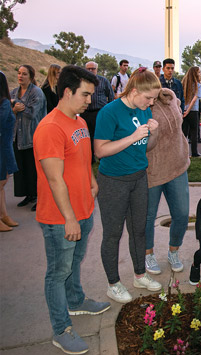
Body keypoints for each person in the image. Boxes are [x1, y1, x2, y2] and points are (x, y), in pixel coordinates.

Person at [33, 65, 110, 354]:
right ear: (67, 92)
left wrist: (91, 182)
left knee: (74, 262)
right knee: (57, 271)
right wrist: (69, 219)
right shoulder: (50, 128)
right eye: (86, 95)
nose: (90, 101)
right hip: (60, 217)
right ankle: (61, 329)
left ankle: (76, 301)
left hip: (84, 208)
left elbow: (82, 158)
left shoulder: (78, 122)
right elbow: (54, 179)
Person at [94, 67, 162, 304]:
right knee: (113, 234)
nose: (151, 103)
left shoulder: (143, 110)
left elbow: (146, 147)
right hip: (113, 181)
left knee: (139, 229)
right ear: (134, 91)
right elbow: (100, 150)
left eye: (154, 98)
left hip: (138, 177)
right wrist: (133, 136)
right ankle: (113, 284)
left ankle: (139, 275)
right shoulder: (109, 112)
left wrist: (152, 134)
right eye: (149, 98)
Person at [144, 88, 190, 275]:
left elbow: (179, 113)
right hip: (152, 170)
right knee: (148, 217)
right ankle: (148, 254)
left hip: (177, 165)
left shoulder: (171, 97)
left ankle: (173, 251)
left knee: (181, 214)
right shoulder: (141, 104)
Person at [10, 64, 47, 212]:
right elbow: (9, 111)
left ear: (31, 77)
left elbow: (33, 113)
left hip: (32, 137)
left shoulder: (36, 92)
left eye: (24, 74)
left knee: (35, 170)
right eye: (19, 73)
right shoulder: (13, 92)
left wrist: (20, 107)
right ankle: (28, 195)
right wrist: (14, 108)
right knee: (22, 168)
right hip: (18, 137)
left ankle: (40, 197)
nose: (20, 76)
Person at [82, 61, 114, 162]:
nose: (91, 71)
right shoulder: (82, 82)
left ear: (97, 69)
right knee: (87, 136)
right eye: (88, 69)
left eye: (93, 69)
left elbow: (111, 95)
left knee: (101, 135)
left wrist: (108, 111)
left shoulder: (103, 81)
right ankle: (90, 158)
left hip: (100, 112)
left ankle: (102, 158)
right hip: (85, 113)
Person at [0, 71, 18, 232]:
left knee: (2, 183)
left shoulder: (5, 103)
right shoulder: (4, 104)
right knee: (1, 182)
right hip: (3, 146)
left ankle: (4, 215)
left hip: (4, 145)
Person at [182, 66, 201, 157]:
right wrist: (188, 111)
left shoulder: (184, 84)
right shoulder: (197, 85)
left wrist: (185, 110)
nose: (200, 74)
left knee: (184, 133)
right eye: (199, 72)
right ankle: (194, 153)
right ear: (195, 74)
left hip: (184, 110)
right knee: (194, 132)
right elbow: (195, 99)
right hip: (193, 111)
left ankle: (183, 153)